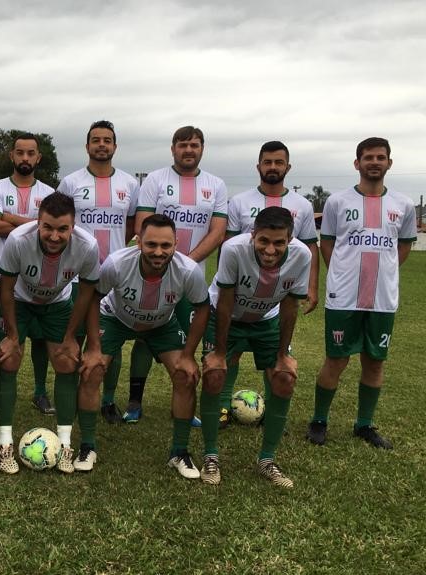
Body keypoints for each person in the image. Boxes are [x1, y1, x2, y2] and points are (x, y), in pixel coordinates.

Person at [307, 137, 416, 449]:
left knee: (375, 361)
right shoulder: (338, 202)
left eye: (381, 157)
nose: (374, 162)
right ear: (357, 163)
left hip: (382, 299)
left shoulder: (403, 205)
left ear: (389, 163)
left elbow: (402, 248)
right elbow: (326, 243)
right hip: (344, 297)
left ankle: (364, 425)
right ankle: (319, 420)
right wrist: (342, 272)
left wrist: (385, 272)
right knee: (336, 359)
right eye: (368, 157)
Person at [80, 214, 209, 475]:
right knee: (92, 370)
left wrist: (188, 355)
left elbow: (203, 308)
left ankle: (179, 452)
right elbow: (94, 298)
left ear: (176, 244)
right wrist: (93, 347)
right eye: (151, 245)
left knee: (185, 376)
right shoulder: (117, 264)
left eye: (166, 245)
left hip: (162, 323)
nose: (158, 252)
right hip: (116, 317)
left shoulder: (188, 270)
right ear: (138, 242)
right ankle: (87, 446)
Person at [200, 207, 311, 487]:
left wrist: (283, 355)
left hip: (267, 319)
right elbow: (225, 301)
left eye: (279, 242)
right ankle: (211, 456)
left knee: (284, 379)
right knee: (214, 375)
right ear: (252, 236)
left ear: (290, 239)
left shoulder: (302, 255)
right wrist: (220, 353)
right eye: (263, 241)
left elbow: (290, 306)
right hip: (227, 315)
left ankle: (267, 461)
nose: (270, 249)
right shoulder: (233, 249)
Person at [0, 192, 103, 474]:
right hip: (19, 302)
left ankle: (65, 444)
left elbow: (86, 295)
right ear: (38, 223)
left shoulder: (88, 246)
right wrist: (13, 335)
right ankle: (4, 441)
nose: (54, 236)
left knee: (66, 362)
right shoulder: (18, 240)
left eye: (62, 229)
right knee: (8, 359)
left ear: (73, 226)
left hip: (57, 304)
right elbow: (4, 289)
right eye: (48, 227)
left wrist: (69, 337)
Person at [130, 126, 228, 425]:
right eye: (183, 145)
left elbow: (218, 231)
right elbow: (142, 226)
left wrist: (185, 262)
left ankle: (185, 405)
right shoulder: (155, 180)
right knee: (145, 338)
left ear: (202, 149)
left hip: (191, 278)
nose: (189, 150)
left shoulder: (216, 185)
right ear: (173, 148)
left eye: (195, 145)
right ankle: (134, 402)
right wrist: (166, 260)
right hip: (154, 274)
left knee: (189, 342)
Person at [218, 141, 319, 427]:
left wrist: (312, 287)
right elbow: (231, 247)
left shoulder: (303, 205)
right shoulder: (239, 201)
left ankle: (273, 414)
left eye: (279, 162)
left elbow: (310, 247)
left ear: (288, 167)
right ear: (259, 166)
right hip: (242, 291)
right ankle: (224, 406)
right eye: (267, 162)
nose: (273, 167)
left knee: (275, 353)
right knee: (232, 350)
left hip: (277, 295)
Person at [57, 120, 140, 423]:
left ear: (115, 146)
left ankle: (106, 399)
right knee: (74, 336)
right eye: (96, 140)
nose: (101, 145)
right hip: (77, 274)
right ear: (87, 145)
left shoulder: (129, 184)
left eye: (107, 140)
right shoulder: (70, 182)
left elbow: (131, 225)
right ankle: (74, 395)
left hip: (114, 274)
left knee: (109, 341)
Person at [0, 133, 57, 415]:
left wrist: (11, 218)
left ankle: (40, 392)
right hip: (6, 278)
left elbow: (52, 231)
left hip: (41, 278)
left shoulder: (49, 193)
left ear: (38, 157)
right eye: (20, 153)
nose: (25, 158)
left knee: (40, 337)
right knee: (4, 337)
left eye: (30, 153)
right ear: (12, 156)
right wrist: (36, 224)